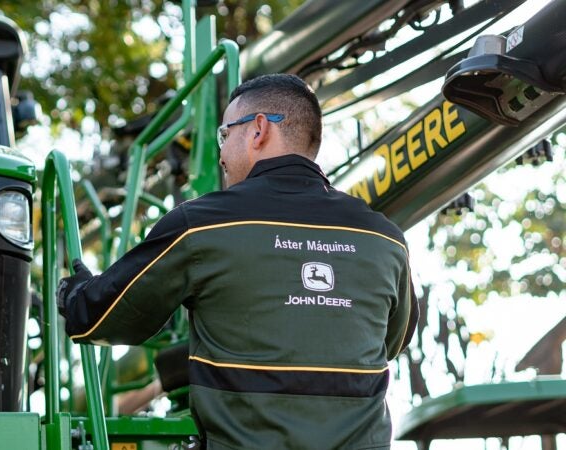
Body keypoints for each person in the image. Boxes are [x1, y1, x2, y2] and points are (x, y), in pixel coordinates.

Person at [58, 73, 418, 449]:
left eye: (225, 135)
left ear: (258, 130)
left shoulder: (201, 224)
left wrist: (74, 291)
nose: (222, 154)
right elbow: (391, 342)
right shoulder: (386, 238)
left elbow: (101, 316)